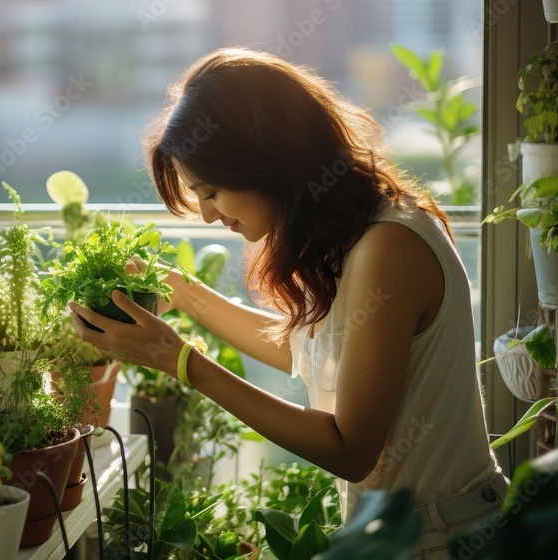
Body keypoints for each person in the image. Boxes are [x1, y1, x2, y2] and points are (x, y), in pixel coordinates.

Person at [68, 47, 508, 558]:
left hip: (444, 541)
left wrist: (180, 361)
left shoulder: (389, 247)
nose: (209, 217)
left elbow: (351, 450)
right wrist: (182, 293)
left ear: (265, 158)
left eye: (210, 192)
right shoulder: (361, 235)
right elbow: (301, 349)